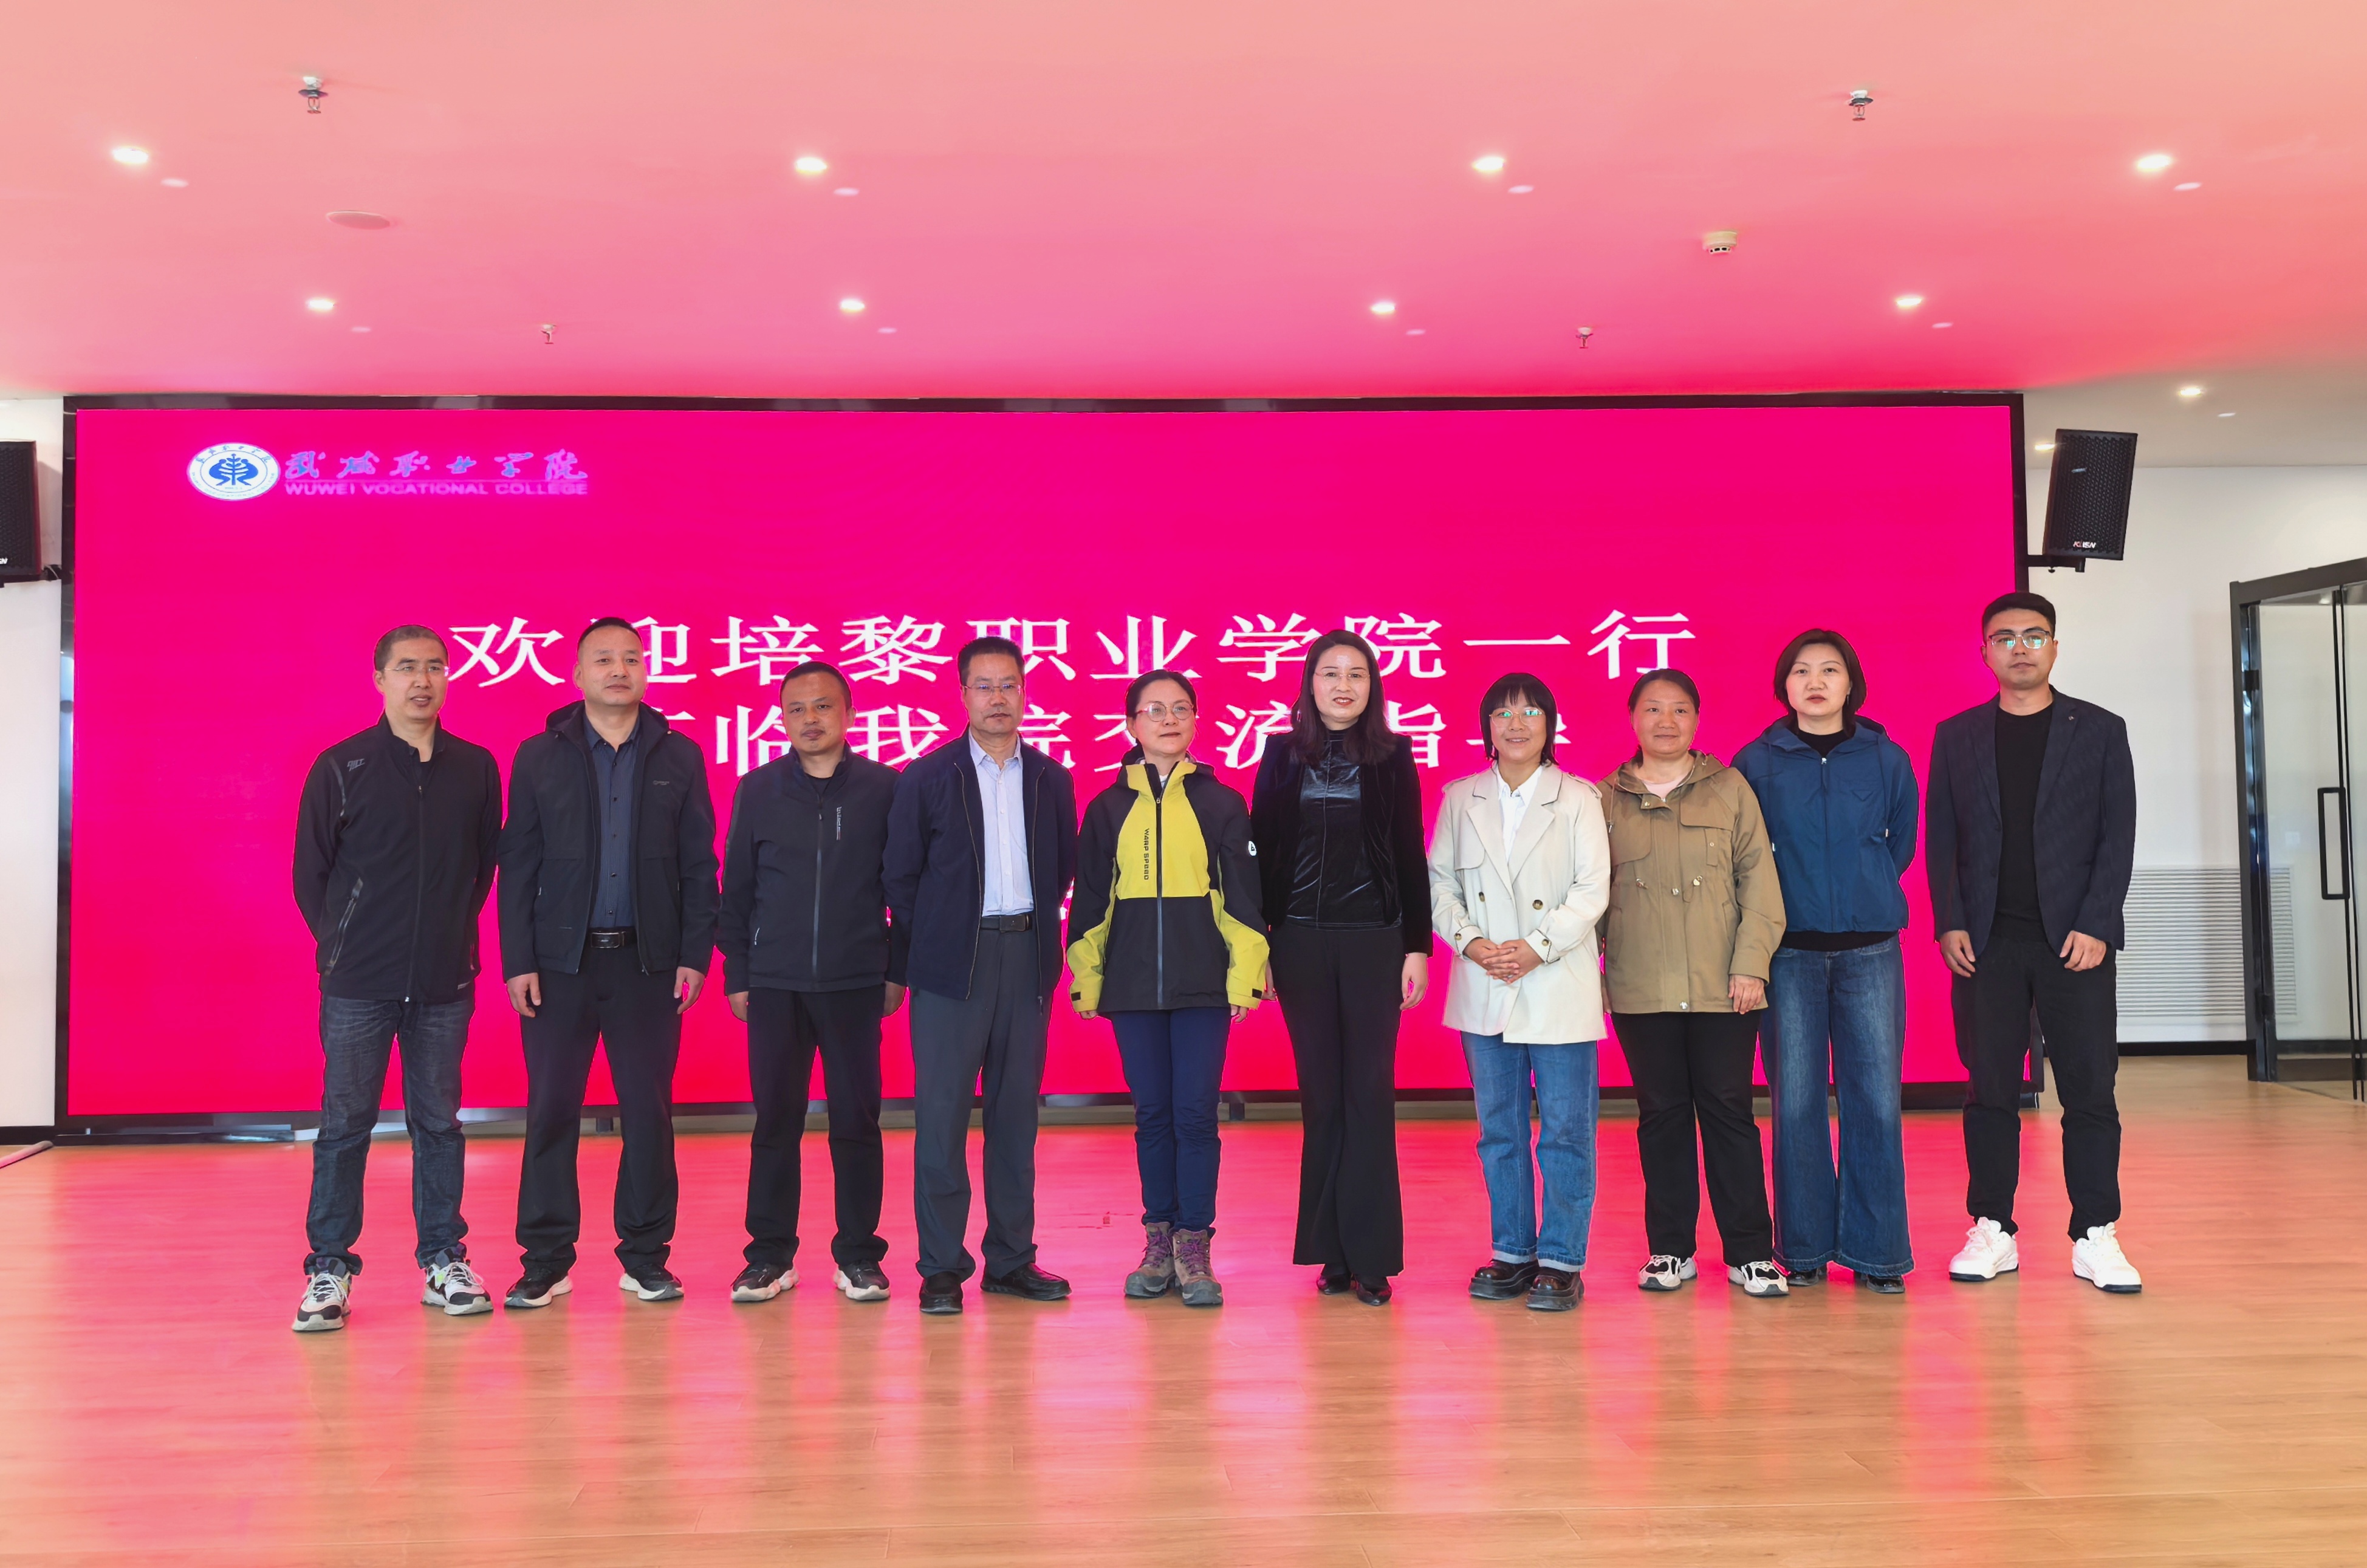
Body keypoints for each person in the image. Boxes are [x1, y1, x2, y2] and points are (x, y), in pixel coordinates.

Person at [498, 618, 719, 1310]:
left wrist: (694, 954)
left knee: (649, 1114)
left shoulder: (680, 755)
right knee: (550, 1111)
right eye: (603, 659)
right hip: (559, 967)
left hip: (648, 966)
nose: (618, 669)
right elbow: (517, 866)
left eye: (630, 658)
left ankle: (646, 1257)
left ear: (646, 670)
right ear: (577, 674)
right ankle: (544, 1261)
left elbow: (699, 864)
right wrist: (518, 959)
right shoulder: (539, 756)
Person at [289, 626, 503, 1332]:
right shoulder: (342, 765)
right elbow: (311, 873)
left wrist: (448, 936)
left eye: (435, 666)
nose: (423, 679)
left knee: (439, 1124)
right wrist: (345, 945)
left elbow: (481, 869)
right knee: (345, 1125)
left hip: (444, 982)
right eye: (407, 667)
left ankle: (444, 1259)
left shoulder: (476, 768)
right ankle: (328, 1267)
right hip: (358, 983)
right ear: (379, 678)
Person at [1927, 591, 2140, 1292]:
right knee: (1989, 1089)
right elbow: (1941, 839)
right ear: (1983, 652)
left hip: (2074, 942)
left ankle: (2095, 1232)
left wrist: (2097, 922)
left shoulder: (2099, 730)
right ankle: (1992, 1227)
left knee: (2088, 1089)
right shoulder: (1956, 735)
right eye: (2003, 637)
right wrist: (1950, 920)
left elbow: (2115, 834)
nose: (2018, 647)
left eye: (2032, 635)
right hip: (1986, 942)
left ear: (2053, 646)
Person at [884, 635, 1079, 1315]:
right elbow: (900, 877)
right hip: (950, 967)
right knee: (941, 1119)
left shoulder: (1051, 779)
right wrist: (938, 938)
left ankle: (1011, 1259)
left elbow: (1062, 869)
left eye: (1009, 685)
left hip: (1026, 958)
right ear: (963, 694)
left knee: (1015, 1117)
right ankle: (941, 1267)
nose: (999, 698)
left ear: (1025, 692)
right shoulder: (927, 776)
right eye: (985, 686)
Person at [1067, 671, 1267, 1307]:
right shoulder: (1107, 808)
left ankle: (1194, 1244)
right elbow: (1091, 903)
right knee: (1151, 1114)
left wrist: (1243, 975)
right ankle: (1157, 1241)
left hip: (1203, 985)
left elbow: (1242, 900)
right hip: (1131, 986)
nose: (1169, 719)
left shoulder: (1221, 803)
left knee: (1195, 1115)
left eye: (1181, 708)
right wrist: (1088, 978)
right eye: (1154, 710)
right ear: (1132, 724)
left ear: (1196, 721)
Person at [1734, 631, 1920, 1295]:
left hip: (1871, 950)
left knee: (1876, 1101)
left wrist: (1863, 890)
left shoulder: (1886, 757)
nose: (1815, 682)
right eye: (1801, 671)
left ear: (1850, 683)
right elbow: (1745, 857)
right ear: (1783, 685)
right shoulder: (1755, 762)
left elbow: (1899, 843)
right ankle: (1805, 1246)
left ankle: (1877, 1254)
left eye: (1829, 670)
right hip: (1788, 954)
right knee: (1796, 1102)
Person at [1250, 631, 1431, 1306]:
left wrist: (1416, 945)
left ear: (1372, 685)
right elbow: (1261, 851)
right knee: (1322, 1097)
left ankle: (1371, 1255)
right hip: (1298, 942)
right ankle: (1331, 1251)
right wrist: (1260, 945)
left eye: (1357, 673)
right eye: (1331, 673)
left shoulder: (1393, 755)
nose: (1344, 685)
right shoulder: (1280, 754)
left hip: (1373, 942)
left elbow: (1409, 852)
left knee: (1369, 1095)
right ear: (1310, 683)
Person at [1599, 668, 1790, 1298]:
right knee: (1661, 1116)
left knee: (1729, 1111)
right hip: (1640, 986)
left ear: (1696, 720)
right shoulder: (1604, 799)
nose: (1666, 721)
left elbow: (1759, 885)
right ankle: (1670, 1250)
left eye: (1679, 709)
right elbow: (1589, 894)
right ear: (1633, 719)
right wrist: (1594, 972)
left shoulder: (1730, 788)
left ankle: (1750, 1252)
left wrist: (1750, 964)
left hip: (1723, 986)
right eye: (1653, 709)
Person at [718, 661, 902, 1306]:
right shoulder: (758, 789)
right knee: (776, 1120)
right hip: (775, 983)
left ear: (849, 713)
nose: (810, 719)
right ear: (782, 718)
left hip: (856, 981)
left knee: (857, 1120)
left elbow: (904, 890)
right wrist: (739, 972)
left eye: (823, 705)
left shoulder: (885, 788)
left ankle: (859, 1256)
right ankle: (769, 1257)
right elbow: (737, 890)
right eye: (796, 708)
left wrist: (895, 970)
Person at [1427, 674, 1611, 1312]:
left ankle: (1561, 1260)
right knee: (1499, 1130)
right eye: (1502, 714)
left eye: (1530, 712)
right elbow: (1439, 883)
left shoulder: (1579, 797)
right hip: (1484, 979)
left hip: (1555, 978)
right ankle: (1512, 1251)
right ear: (1486, 727)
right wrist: (1471, 943)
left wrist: (1536, 946)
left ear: (1549, 724)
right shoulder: (1460, 798)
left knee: (1565, 1132)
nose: (1516, 724)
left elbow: (1592, 888)